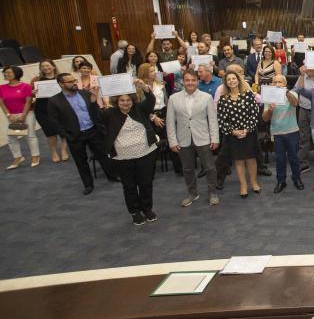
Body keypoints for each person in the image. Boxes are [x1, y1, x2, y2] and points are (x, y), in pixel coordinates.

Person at [101, 80, 160, 226]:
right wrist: (94, 96)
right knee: (129, 185)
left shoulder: (139, 109)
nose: (125, 103)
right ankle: (135, 212)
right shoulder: (109, 113)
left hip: (145, 152)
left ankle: (147, 209)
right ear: (116, 101)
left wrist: (144, 88)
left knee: (146, 183)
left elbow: (151, 100)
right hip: (122, 157)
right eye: (122, 100)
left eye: (128, 100)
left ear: (132, 100)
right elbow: (94, 115)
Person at [47, 72, 118, 193]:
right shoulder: (54, 101)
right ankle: (88, 185)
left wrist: (94, 101)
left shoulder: (85, 93)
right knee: (81, 161)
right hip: (75, 135)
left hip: (93, 130)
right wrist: (65, 135)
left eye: (74, 80)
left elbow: (95, 112)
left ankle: (112, 176)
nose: (74, 83)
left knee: (103, 155)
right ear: (61, 84)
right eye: (70, 82)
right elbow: (54, 121)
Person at [166, 70, 221, 207]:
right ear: (183, 81)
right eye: (187, 80)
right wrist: (172, 140)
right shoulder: (173, 98)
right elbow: (170, 122)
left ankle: (212, 192)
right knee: (187, 169)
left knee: (210, 167)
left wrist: (215, 138)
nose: (190, 83)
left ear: (197, 81)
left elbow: (213, 120)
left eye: (193, 80)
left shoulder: (207, 97)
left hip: (203, 137)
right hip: (183, 139)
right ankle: (192, 193)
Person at [217, 70, 262, 198]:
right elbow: (222, 120)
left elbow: (254, 114)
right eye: (228, 79)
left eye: (233, 78)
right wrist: (233, 131)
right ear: (226, 82)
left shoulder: (248, 95)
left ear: (238, 80)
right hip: (233, 134)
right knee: (239, 161)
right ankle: (243, 185)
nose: (231, 81)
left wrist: (247, 129)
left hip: (249, 132)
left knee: (251, 159)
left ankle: (254, 182)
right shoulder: (223, 99)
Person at [30, 59, 69, 163]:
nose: (46, 68)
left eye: (48, 66)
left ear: (53, 66)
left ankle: (64, 150)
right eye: (43, 66)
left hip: (60, 108)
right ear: (40, 68)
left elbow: (69, 90)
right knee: (50, 133)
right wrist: (33, 93)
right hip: (42, 110)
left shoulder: (61, 78)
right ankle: (53, 152)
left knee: (63, 131)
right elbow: (31, 95)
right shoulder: (36, 80)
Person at [1, 66, 39, 169]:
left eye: (8, 73)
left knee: (30, 136)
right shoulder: (1, 87)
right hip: (11, 116)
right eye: (5, 73)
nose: (6, 75)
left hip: (27, 114)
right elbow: (2, 103)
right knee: (11, 137)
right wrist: (9, 115)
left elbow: (28, 101)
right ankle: (18, 157)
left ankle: (35, 156)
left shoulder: (26, 86)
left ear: (17, 74)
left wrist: (23, 115)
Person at [294, 68, 314, 174]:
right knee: (303, 136)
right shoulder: (302, 77)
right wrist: (302, 75)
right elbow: (296, 91)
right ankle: (303, 162)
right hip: (303, 109)